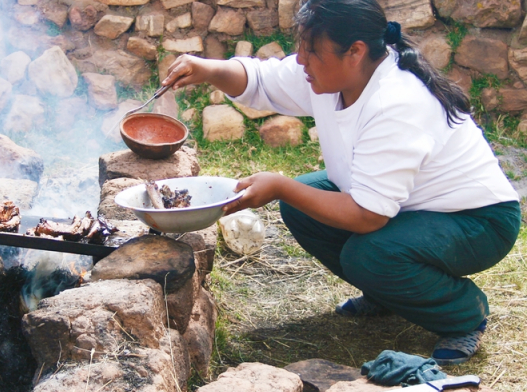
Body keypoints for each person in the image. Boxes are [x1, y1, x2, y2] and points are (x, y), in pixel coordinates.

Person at [161, 0, 521, 365]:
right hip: (408, 206)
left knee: (367, 254)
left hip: (477, 220)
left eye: (311, 50)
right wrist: (206, 68)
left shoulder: (396, 102)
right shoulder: (337, 74)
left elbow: (367, 217)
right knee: (304, 208)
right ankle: (391, 293)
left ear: (355, 51)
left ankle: (462, 315)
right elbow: (262, 80)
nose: (300, 60)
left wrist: (281, 186)